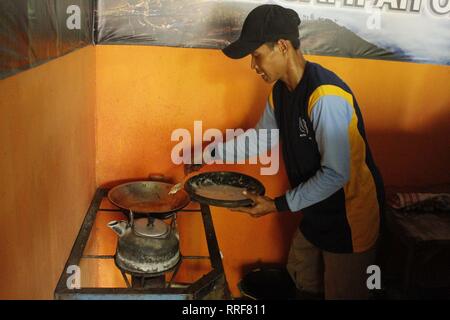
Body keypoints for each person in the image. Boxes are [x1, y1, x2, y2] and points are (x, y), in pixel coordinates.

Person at [186, 4, 385, 300]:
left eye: (256, 56)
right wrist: (209, 154)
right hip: (315, 213)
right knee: (302, 280)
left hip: (349, 220)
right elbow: (259, 140)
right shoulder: (280, 93)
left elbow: (336, 174)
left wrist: (277, 205)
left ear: (281, 46)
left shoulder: (325, 96)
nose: (254, 66)